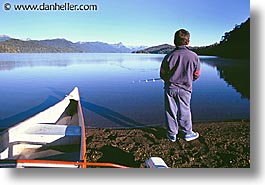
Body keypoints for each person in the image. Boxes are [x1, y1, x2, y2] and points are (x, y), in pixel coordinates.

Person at [160, 29, 201, 142]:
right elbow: (197, 74)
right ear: (188, 42)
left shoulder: (169, 56)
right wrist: (189, 79)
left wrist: (168, 80)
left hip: (170, 88)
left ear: (174, 41)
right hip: (186, 88)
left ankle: (172, 134)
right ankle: (187, 133)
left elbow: (162, 74)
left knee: (170, 111)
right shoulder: (194, 56)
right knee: (185, 110)